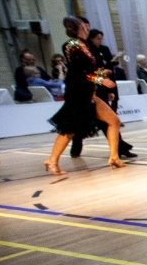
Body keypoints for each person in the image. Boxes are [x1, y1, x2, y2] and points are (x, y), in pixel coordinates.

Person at [44, 16, 126, 174]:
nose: (88, 28)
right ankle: (52, 161)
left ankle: (114, 157)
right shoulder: (72, 45)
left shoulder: (84, 45)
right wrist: (100, 79)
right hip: (78, 93)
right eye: (85, 26)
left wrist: (101, 73)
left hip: (88, 92)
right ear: (80, 27)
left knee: (114, 121)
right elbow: (79, 73)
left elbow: (87, 71)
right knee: (69, 129)